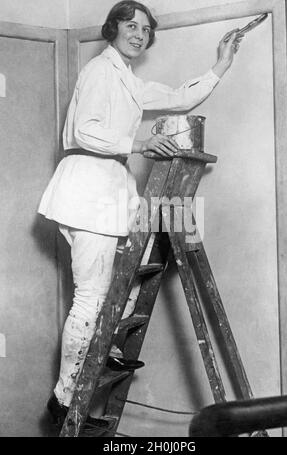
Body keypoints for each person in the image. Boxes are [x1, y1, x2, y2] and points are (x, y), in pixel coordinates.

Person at [38, 0, 242, 429]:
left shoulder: (127, 79)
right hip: (85, 188)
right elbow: (83, 130)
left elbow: (179, 97)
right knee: (91, 297)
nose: (139, 34)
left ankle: (100, 355)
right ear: (113, 28)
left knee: (114, 290)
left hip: (109, 189)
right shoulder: (98, 72)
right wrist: (140, 143)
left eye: (146, 30)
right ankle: (64, 399)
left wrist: (221, 64)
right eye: (131, 25)